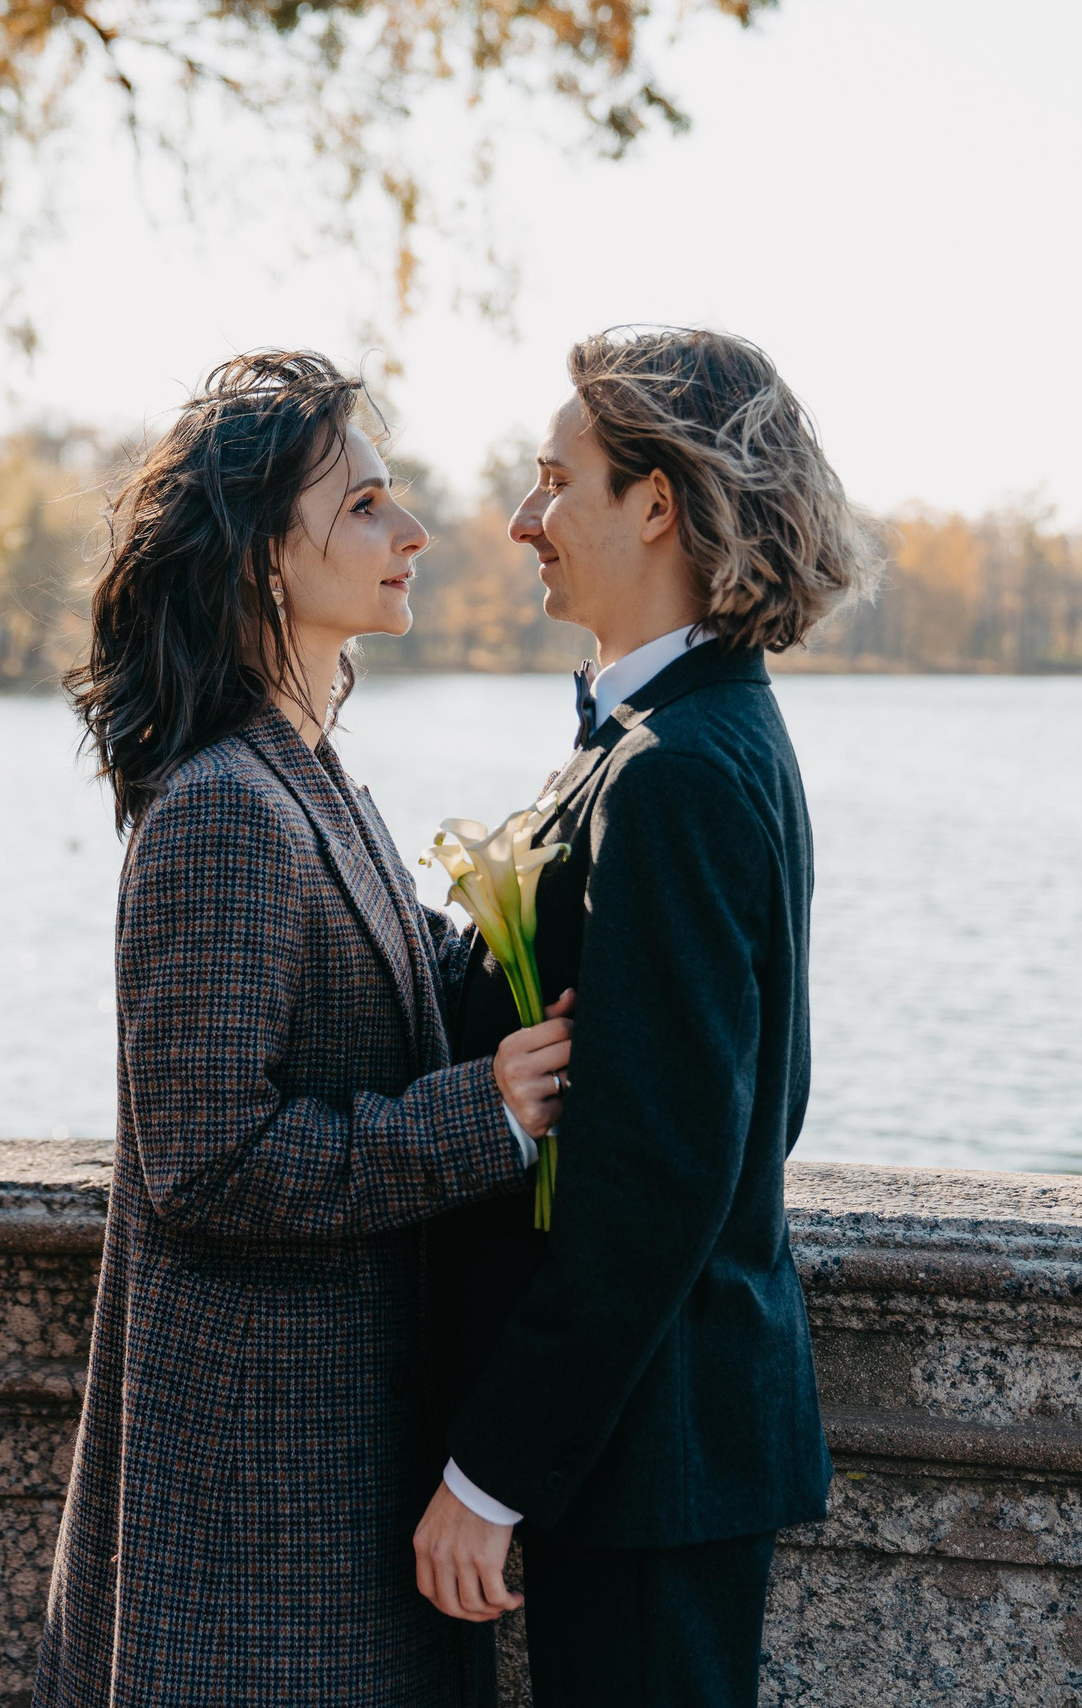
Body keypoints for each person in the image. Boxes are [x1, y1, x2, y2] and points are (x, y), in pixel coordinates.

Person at [35, 350, 577, 1707]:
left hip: (331, 1477)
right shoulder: (224, 808)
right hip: (256, 1517)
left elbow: (405, 987)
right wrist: (487, 1119)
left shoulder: (310, 771)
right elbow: (205, 1164)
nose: (416, 534)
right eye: (368, 508)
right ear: (268, 561)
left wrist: (557, 926)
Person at [414, 327, 885, 1706]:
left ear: (656, 503)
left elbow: (671, 1169)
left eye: (556, 481)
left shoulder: (676, 771)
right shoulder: (661, 737)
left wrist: (493, 1469)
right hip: (649, 1446)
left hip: (649, 1457)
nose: (521, 521)